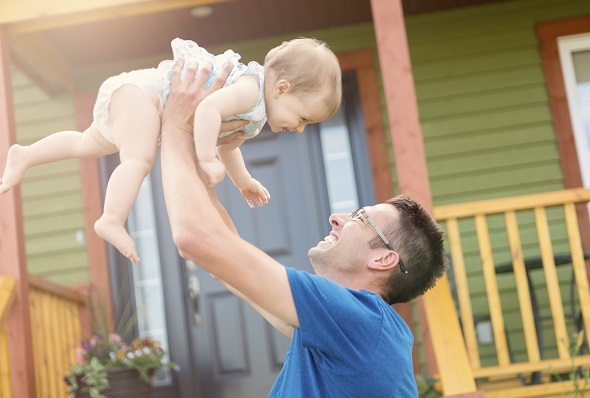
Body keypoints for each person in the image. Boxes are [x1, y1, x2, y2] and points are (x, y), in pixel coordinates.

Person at [160, 61, 448, 397]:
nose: (336, 218)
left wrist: (176, 127)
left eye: (359, 217)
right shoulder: (342, 328)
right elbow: (220, 257)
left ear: (384, 259)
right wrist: (198, 159)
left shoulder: (358, 319)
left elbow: (195, 239)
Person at [0, 37, 342, 263]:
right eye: (302, 119)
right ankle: (111, 218)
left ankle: (25, 155)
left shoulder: (256, 115)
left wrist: (243, 181)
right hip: (143, 94)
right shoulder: (250, 91)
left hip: (138, 96)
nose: (298, 130)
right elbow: (208, 111)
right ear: (281, 88)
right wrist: (205, 158)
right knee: (138, 158)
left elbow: (230, 146)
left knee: (86, 142)